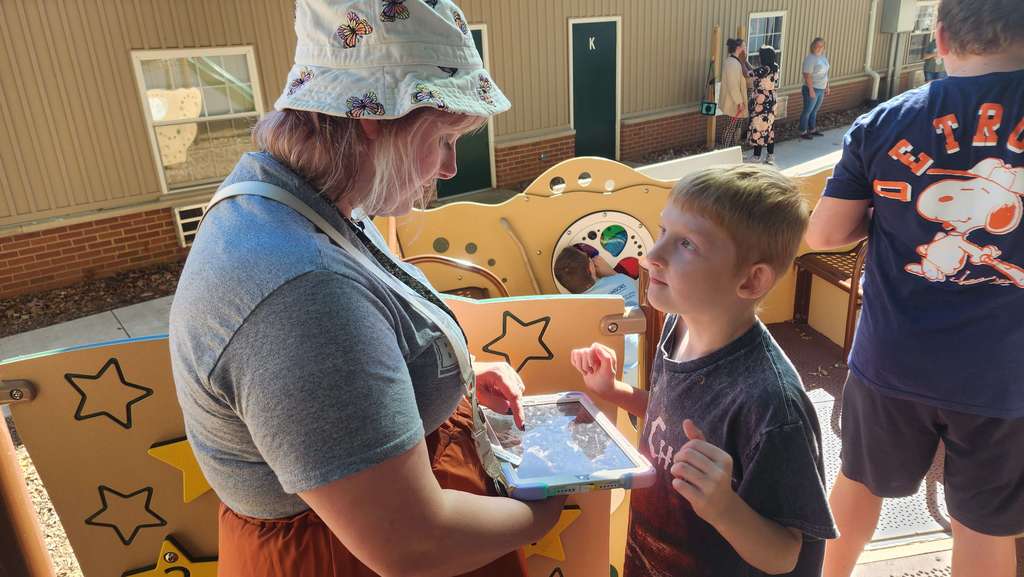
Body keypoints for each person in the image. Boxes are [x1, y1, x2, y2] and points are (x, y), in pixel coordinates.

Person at [168, 1, 566, 576]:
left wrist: (446, 379)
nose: (451, 168)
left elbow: (351, 356)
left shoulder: (300, 195)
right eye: (445, 138)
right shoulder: (302, 293)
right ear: (374, 117)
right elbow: (414, 545)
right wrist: (549, 502)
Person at [805, 0, 1024, 575]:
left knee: (857, 486)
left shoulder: (888, 121)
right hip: (1006, 379)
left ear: (942, 36)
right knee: (982, 526)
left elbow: (826, 233)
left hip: (893, 362)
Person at [571, 165, 838, 576]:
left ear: (751, 281)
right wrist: (615, 391)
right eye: (662, 233)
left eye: (687, 245)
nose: (652, 256)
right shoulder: (680, 325)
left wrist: (724, 508)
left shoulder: (770, 405)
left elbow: (786, 554)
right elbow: (675, 418)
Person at [553, 245, 639, 308]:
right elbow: (631, 285)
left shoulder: (575, 307)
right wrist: (611, 273)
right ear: (590, 269)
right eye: (588, 257)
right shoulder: (622, 279)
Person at [748, 45, 781, 164]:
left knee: (759, 126)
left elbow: (750, 73)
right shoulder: (775, 67)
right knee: (769, 127)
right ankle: (770, 156)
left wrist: (743, 62)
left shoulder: (764, 69)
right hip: (771, 99)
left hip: (763, 100)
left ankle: (757, 156)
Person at [721, 38, 752, 148]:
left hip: (738, 102)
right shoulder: (732, 63)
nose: (746, 48)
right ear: (738, 48)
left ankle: (732, 150)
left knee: (735, 128)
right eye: (744, 46)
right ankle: (725, 151)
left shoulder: (738, 61)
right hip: (734, 102)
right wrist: (739, 102)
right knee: (730, 128)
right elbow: (733, 85)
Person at [800, 37, 830, 140]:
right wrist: (811, 89)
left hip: (821, 88)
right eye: (817, 45)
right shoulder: (810, 58)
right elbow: (807, 75)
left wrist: (827, 86)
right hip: (812, 88)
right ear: (813, 46)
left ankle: (812, 129)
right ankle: (803, 131)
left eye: (821, 45)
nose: (819, 47)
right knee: (807, 111)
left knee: (815, 110)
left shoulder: (823, 57)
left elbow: (826, 73)